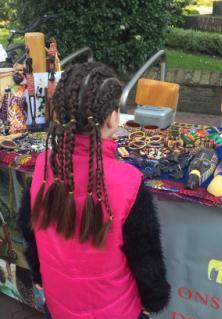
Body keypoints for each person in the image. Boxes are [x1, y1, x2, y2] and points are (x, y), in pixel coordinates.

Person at [17, 62, 170, 319]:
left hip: (58, 306)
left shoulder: (44, 165)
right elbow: (146, 259)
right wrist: (154, 300)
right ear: (112, 118)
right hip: (117, 311)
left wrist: (39, 274)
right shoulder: (128, 183)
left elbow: (28, 229)